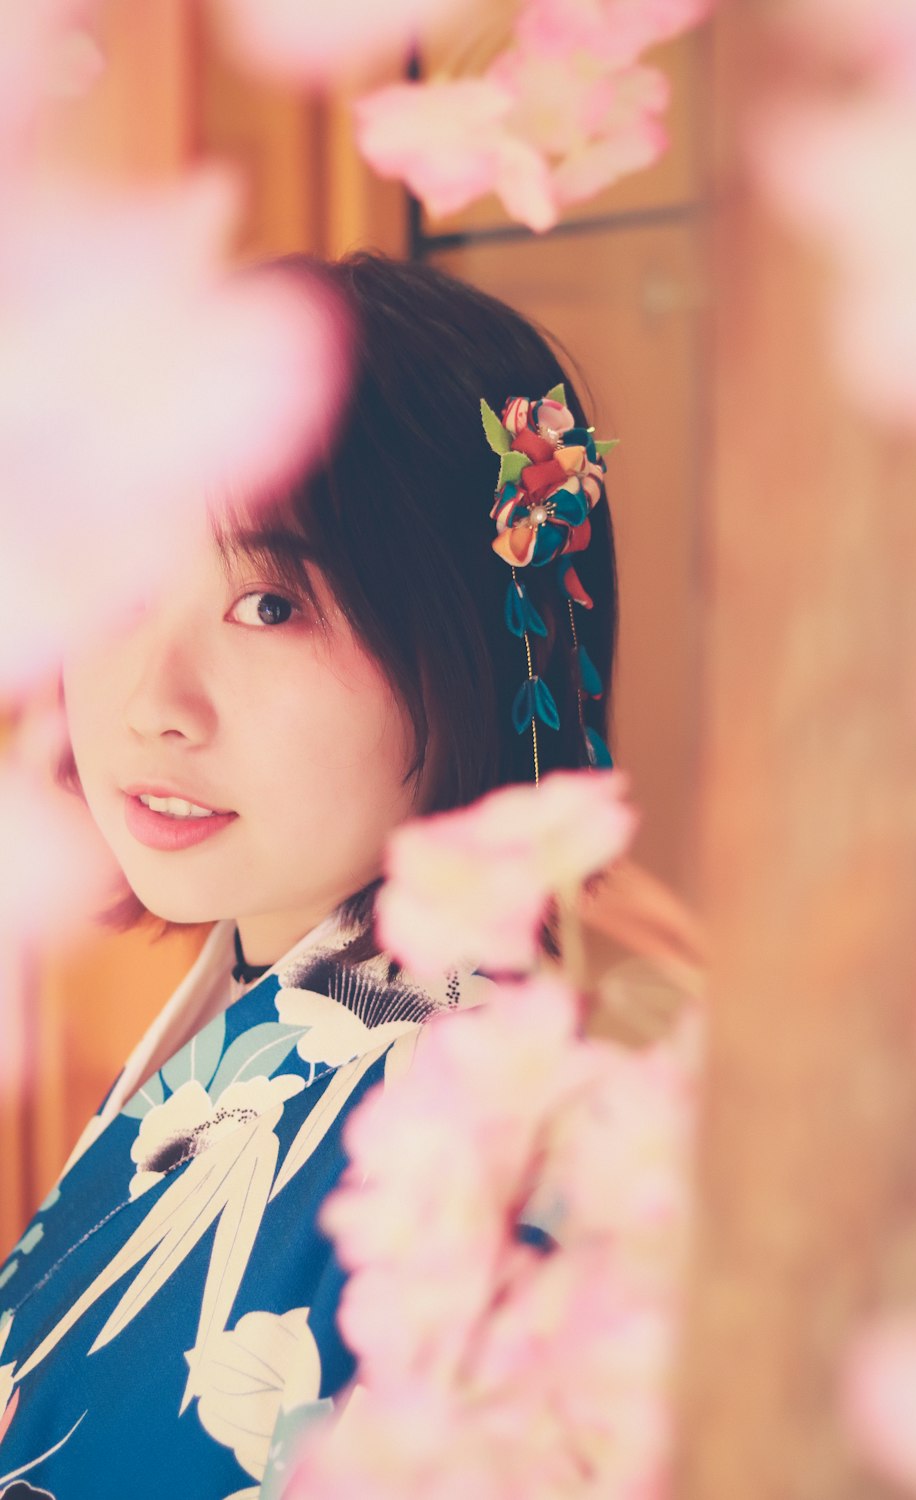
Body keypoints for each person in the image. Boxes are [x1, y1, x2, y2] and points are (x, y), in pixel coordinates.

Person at [0, 251, 618, 1499]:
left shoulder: (500, 1143)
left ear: (477, 640)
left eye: (271, 606)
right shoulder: (241, 1018)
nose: (151, 703)